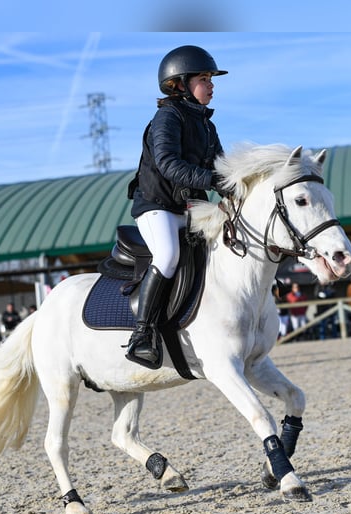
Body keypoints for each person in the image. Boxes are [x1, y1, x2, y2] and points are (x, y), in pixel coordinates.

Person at [124, 45, 230, 368]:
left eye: (211, 78)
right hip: (157, 206)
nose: (211, 84)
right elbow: (169, 164)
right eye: (204, 78)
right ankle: (141, 335)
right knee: (168, 256)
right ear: (180, 83)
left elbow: (221, 169)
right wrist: (211, 180)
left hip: (189, 208)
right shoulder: (166, 117)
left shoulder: (208, 126)